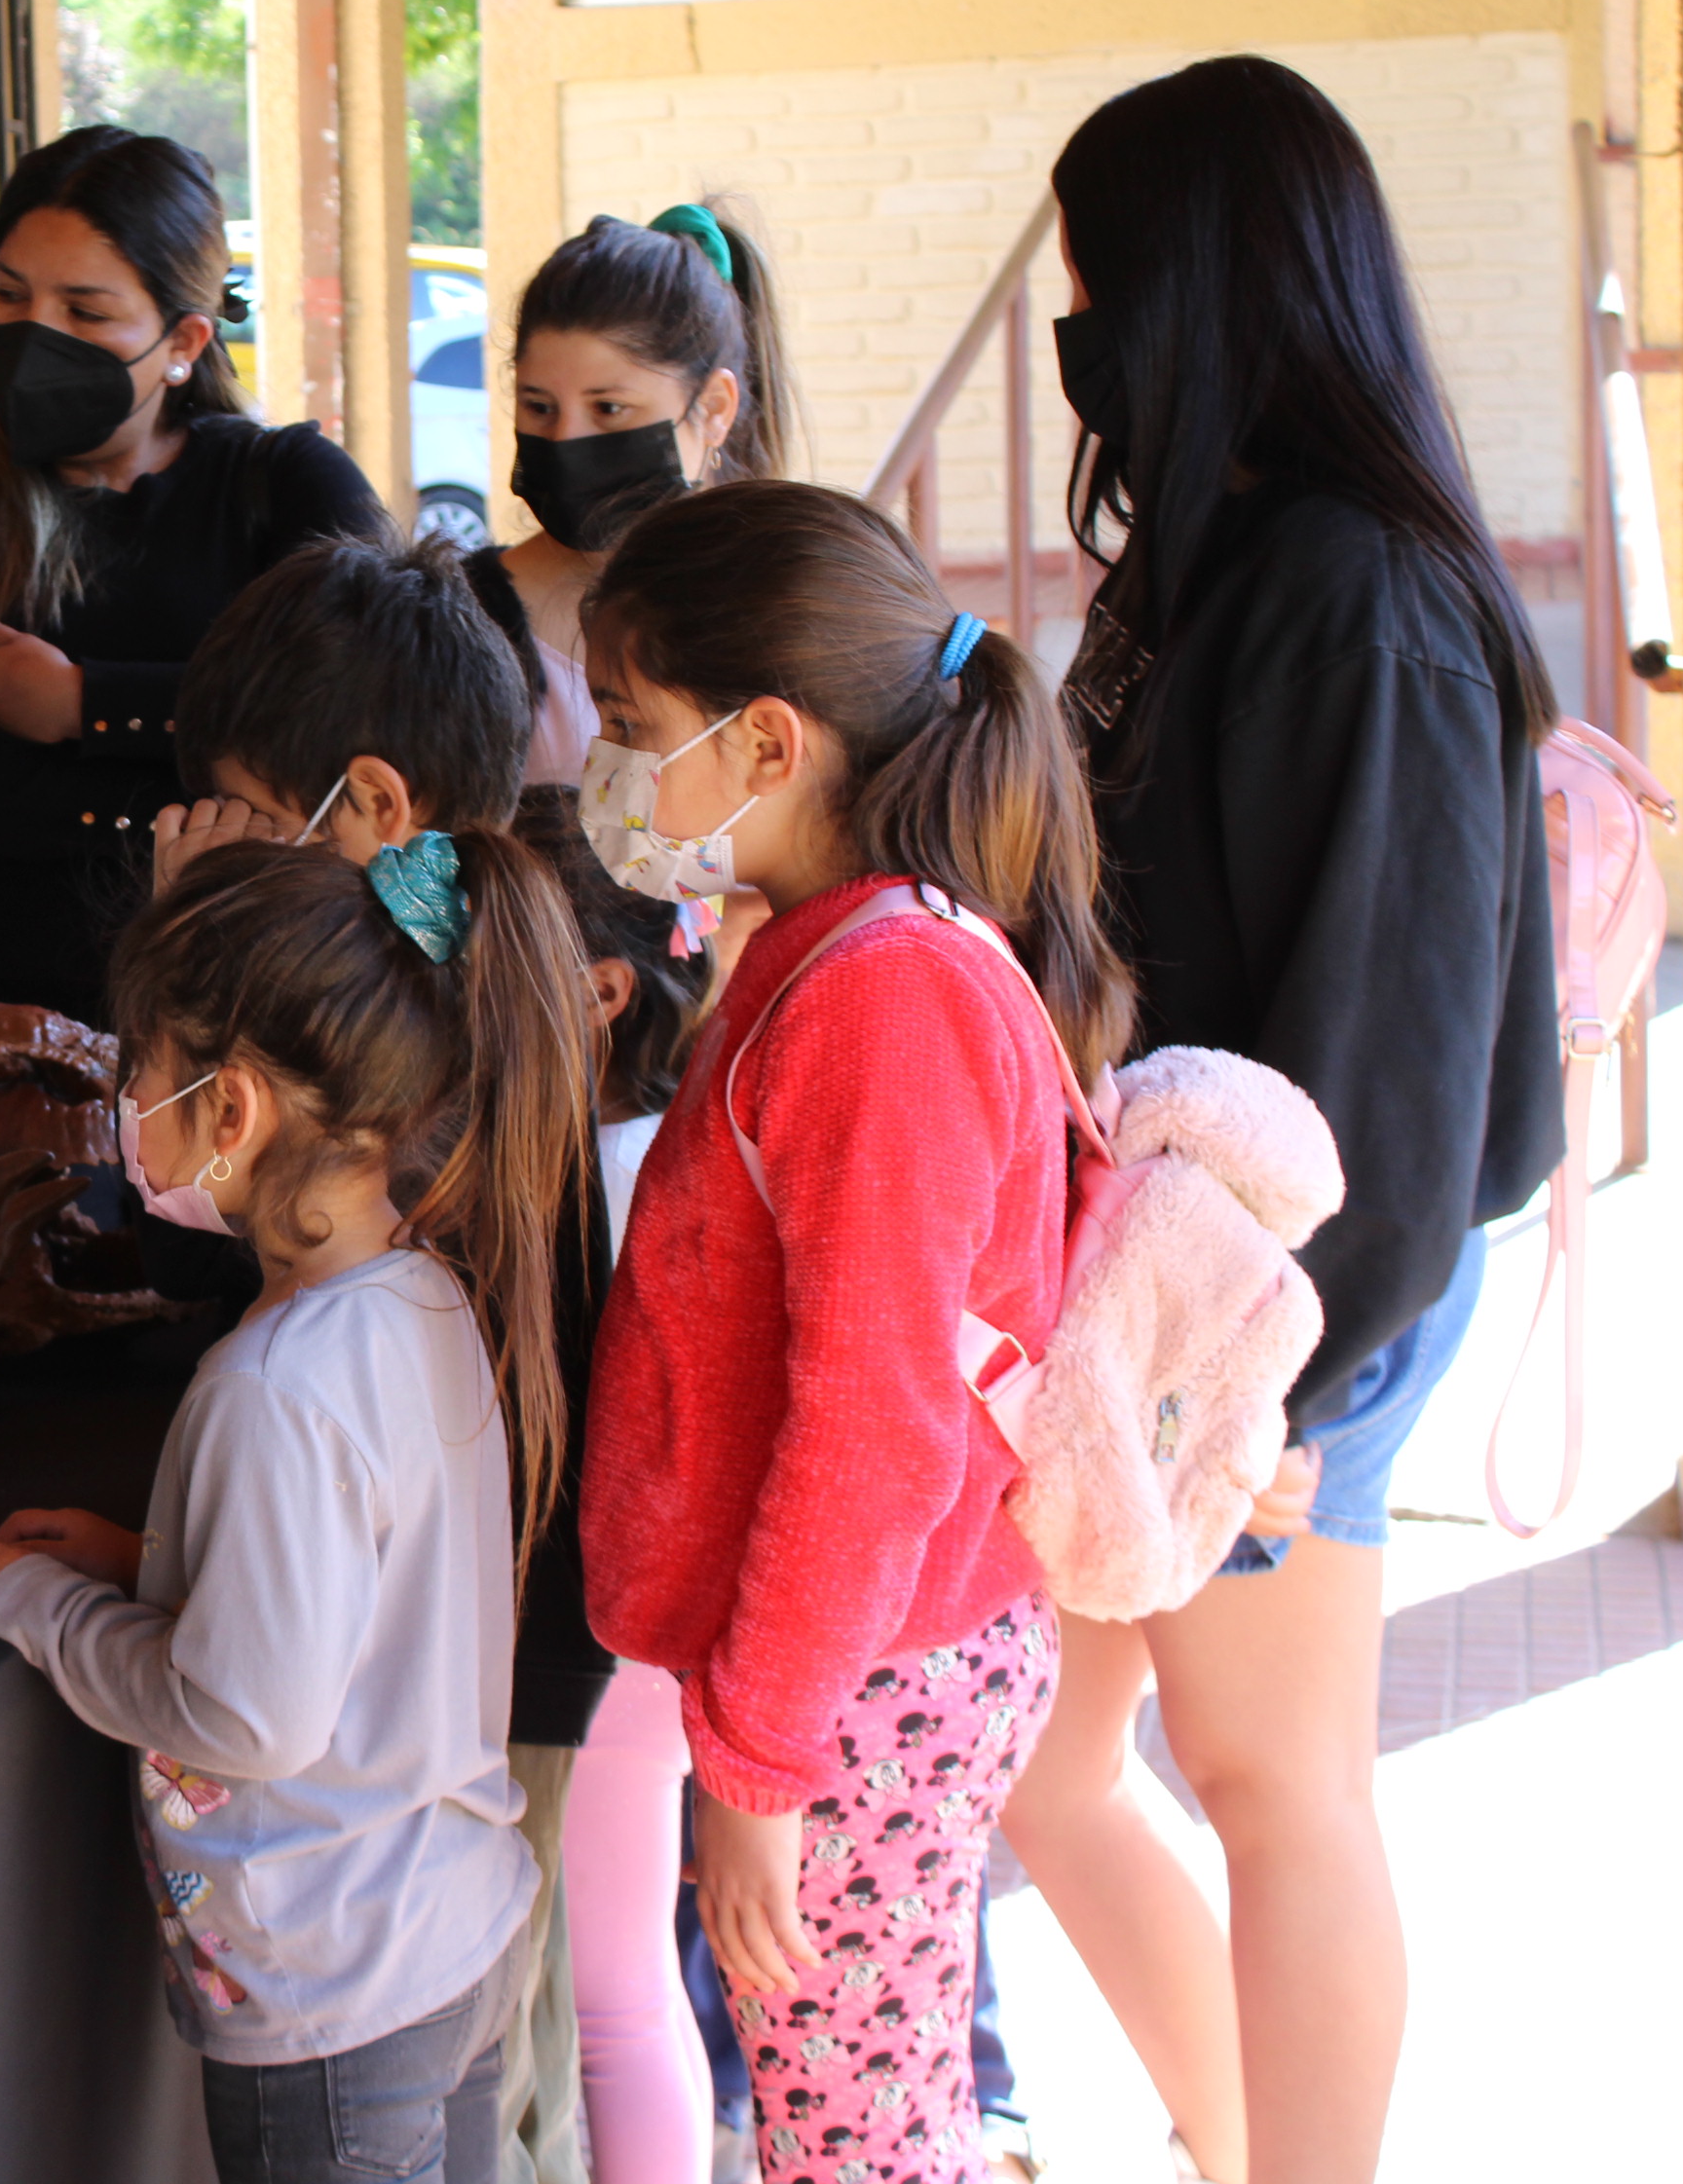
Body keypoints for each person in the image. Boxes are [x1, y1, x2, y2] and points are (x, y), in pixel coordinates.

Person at [994, 56, 1564, 2184]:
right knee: (1043, 1770)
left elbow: (1393, 1086)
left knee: (1274, 1777)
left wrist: (1278, 1372)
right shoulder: (1213, 566)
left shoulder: (1361, 597)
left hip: (1284, 1308)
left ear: (1193, 285)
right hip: (1159, 1296)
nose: (1078, 331)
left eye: (1094, 280)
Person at [576, 476, 1134, 2184]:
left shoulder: (878, 998)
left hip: (858, 1694)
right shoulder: (846, 948)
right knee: (870, 2113)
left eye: (624, 724)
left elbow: (871, 1427)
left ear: (761, 745)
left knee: (857, 2141)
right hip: (860, 1675)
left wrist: (757, 1765)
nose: (601, 766)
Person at [0, 827, 594, 2184]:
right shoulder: (425, 1299)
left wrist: (45, 1609)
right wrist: (154, 1564)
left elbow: (248, 1718)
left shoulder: (269, 1387)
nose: (127, 1101)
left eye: (143, 1069)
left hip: (335, 2010)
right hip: (456, 1938)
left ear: (230, 1113)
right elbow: (369, 1592)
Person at [167, 539, 609, 2178]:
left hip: (470, 1694)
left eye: (229, 819)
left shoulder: (404, 1057)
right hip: (474, 1670)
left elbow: (208, 1232)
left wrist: (191, 964)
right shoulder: (484, 975)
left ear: (359, 807)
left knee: (503, 2093)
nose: (207, 854)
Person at [0, 126, 384, 1025]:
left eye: (85, 311)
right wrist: (189, 816)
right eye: (10, 293)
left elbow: (364, 712)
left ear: (184, 340)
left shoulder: (287, 488)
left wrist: (88, 703)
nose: (33, 334)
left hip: (248, 1009)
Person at [507, 784, 714, 2184]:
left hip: (612, 1641)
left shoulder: (610, 1178)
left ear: (596, 993)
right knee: (623, 1987)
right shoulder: (652, 1156)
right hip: (635, 1636)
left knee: (610, 2002)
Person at [477, 204, 798, 784]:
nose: (566, 439)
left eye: (609, 408)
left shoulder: (796, 609)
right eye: (539, 407)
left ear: (714, 410)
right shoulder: (467, 623)